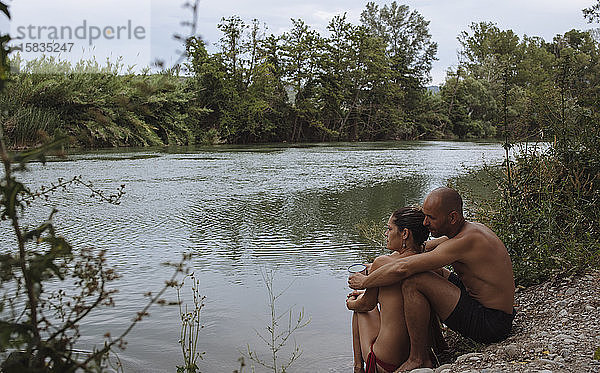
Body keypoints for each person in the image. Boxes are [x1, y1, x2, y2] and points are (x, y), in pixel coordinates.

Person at [348, 187, 516, 371]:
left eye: (431, 218)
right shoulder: (467, 231)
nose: (425, 223)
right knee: (434, 269)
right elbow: (423, 249)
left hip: (491, 322)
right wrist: (384, 263)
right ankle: (438, 344)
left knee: (415, 280)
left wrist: (366, 281)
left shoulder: (466, 240)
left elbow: (403, 267)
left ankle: (418, 358)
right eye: (424, 216)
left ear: (452, 217)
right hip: (487, 308)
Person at [347, 207, 438, 373]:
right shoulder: (427, 262)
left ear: (404, 234)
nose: (386, 234)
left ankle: (358, 367)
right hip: (417, 354)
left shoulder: (382, 263)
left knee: (359, 310)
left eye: (389, 229)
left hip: (386, 362)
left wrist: (351, 303)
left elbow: (367, 304)